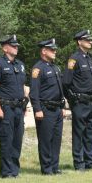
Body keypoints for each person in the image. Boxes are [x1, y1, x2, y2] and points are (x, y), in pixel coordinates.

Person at [0, 35, 28, 178]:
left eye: (17, 45)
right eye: (13, 45)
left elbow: (23, 86)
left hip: (18, 108)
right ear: (5, 48)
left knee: (17, 140)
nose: (16, 47)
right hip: (5, 108)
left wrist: (24, 106)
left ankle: (15, 170)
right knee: (6, 140)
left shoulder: (20, 65)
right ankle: (6, 172)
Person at [62, 30, 92, 171]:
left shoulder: (89, 58)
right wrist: (72, 100)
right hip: (79, 102)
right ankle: (79, 163)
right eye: (87, 40)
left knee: (90, 133)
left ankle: (90, 162)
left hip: (91, 102)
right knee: (79, 133)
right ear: (79, 42)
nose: (90, 41)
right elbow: (66, 82)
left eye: (90, 40)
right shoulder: (74, 59)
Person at [29, 38, 65, 175]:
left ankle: (55, 167)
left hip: (57, 109)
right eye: (52, 49)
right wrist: (37, 109)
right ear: (44, 51)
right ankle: (47, 168)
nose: (55, 51)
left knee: (56, 139)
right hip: (45, 109)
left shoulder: (55, 68)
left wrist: (62, 107)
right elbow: (34, 92)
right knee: (45, 139)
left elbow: (59, 90)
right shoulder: (38, 69)